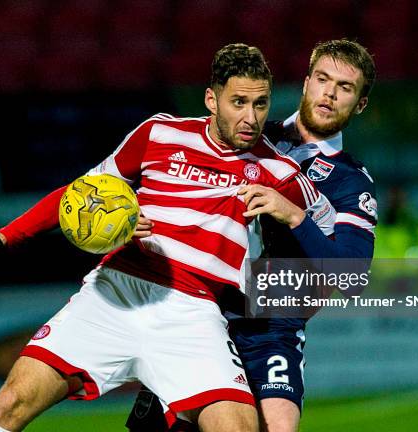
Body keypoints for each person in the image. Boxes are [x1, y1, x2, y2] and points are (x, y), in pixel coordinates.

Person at [0, 43, 335, 432]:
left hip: (193, 315)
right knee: (13, 401)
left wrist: (295, 216)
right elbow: (81, 193)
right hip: (116, 292)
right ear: (211, 100)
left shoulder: (279, 171)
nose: (250, 117)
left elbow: (336, 250)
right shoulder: (159, 132)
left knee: (237, 427)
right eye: (238, 103)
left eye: (261, 104)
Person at [126, 39, 378, 432]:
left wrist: (295, 215)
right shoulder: (249, 134)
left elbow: (351, 277)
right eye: (323, 79)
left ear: (360, 103)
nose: (329, 93)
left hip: (271, 326)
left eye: (344, 88)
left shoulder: (350, 182)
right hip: (199, 313)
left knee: (278, 425)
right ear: (307, 81)